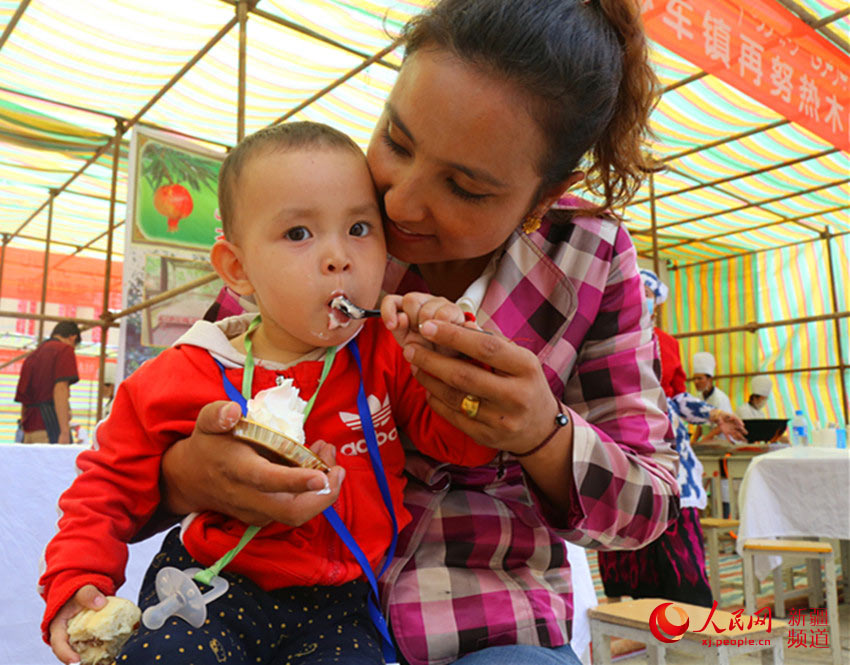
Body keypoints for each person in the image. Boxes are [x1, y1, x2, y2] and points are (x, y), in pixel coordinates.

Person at [137, 2, 683, 663]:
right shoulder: (316, 204)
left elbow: (649, 506)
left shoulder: (590, 259)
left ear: (544, 197)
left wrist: (542, 433)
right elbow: (148, 445)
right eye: (396, 141)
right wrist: (186, 476)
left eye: (464, 186)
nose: (397, 203)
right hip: (274, 605)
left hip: (488, 624)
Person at [40, 122, 497, 665]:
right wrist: (76, 580)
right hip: (209, 589)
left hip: (340, 604)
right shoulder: (185, 371)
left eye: (359, 227)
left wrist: (450, 357)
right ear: (239, 269)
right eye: (299, 234)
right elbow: (107, 486)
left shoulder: (388, 356)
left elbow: (465, 448)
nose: (338, 257)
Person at [597, 270, 745, 607]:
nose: (642, 295)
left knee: (678, 531)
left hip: (668, 448)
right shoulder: (605, 335)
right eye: (636, 288)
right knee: (628, 525)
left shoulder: (667, 344)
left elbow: (678, 397)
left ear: (657, 303)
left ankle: (692, 616)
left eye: (648, 290)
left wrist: (713, 414)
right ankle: (638, 613)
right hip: (621, 442)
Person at [14, 320, 81, 444]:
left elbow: (24, 401)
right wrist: (65, 431)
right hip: (49, 430)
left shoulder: (32, 356)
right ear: (73, 338)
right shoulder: (64, 350)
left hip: (28, 431)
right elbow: (60, 389)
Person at [691, 351, 733, 443]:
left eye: (699, 378)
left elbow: (722, 426)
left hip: (722, 442)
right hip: (707, 443)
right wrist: (693, 441)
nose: (696, 382)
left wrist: (703, 441)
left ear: (710, 379)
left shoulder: (720, 398)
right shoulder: (699, 397)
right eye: (694, 378)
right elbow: (700, 424)